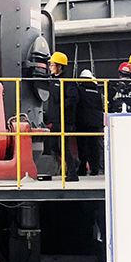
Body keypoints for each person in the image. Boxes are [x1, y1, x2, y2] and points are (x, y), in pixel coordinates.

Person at [45, 51, 79, 181]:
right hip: (55, 120)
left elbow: (73, 98)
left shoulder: (67, 81)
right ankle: (73, 164)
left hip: (64, 120)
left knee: (64, 146)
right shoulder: (53, 80)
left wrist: (61, 110)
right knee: (53, 145)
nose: (50, 67)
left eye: (52, 65)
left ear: (60, 66)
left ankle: (72, 174)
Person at [76, 70, 104, 175]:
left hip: (82, 121)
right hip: (96, 122)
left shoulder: (80, 89)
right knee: (95, 146)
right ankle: (95, 169)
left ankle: (82, 169)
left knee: (82, 146)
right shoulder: (98, 91)